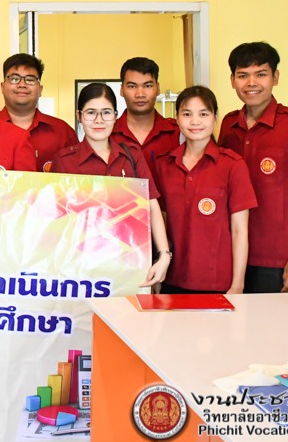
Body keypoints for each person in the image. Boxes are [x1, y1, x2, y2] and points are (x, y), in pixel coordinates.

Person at [217, 42, 288, 293]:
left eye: (261, 74)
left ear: (275, 77)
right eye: (243, 75)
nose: (251, 83)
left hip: (278, 258)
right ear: (232, 80)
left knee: (275, 320)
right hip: (230, 253)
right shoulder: (228, 125)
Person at [51, 83, 171, 288]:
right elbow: (56, 220)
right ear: (79, 116)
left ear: (115, 116)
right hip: (81, 269)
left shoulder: (132, 155)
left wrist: (164, 255)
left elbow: (151, 204)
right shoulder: (64, 161)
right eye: (91, 112)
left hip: (132, 266)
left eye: (106, 112)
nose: (99, 120)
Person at [152, 86, 256, 294]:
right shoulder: (164, 165)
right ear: (177, 118)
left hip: (217, 281)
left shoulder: (233, 165)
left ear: (215, 118)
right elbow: (160, 223)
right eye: (187, 114)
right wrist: (157, 267)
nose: (195, 121)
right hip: (172, 278)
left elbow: (239, 230)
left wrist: (237, 284)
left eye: (203, 114)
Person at [0, 53, 76, 172]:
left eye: (30, 80)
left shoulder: (63, 132)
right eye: (14, 79)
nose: (22, 85)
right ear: (2, 87)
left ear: (40, 90)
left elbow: (77, 178)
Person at [110, 57, 181, 168]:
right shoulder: (108, 133)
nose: (140, 94)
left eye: (147, 86)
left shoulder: (179, 132)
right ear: (122, 90)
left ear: (158, 88)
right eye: (132, 86)